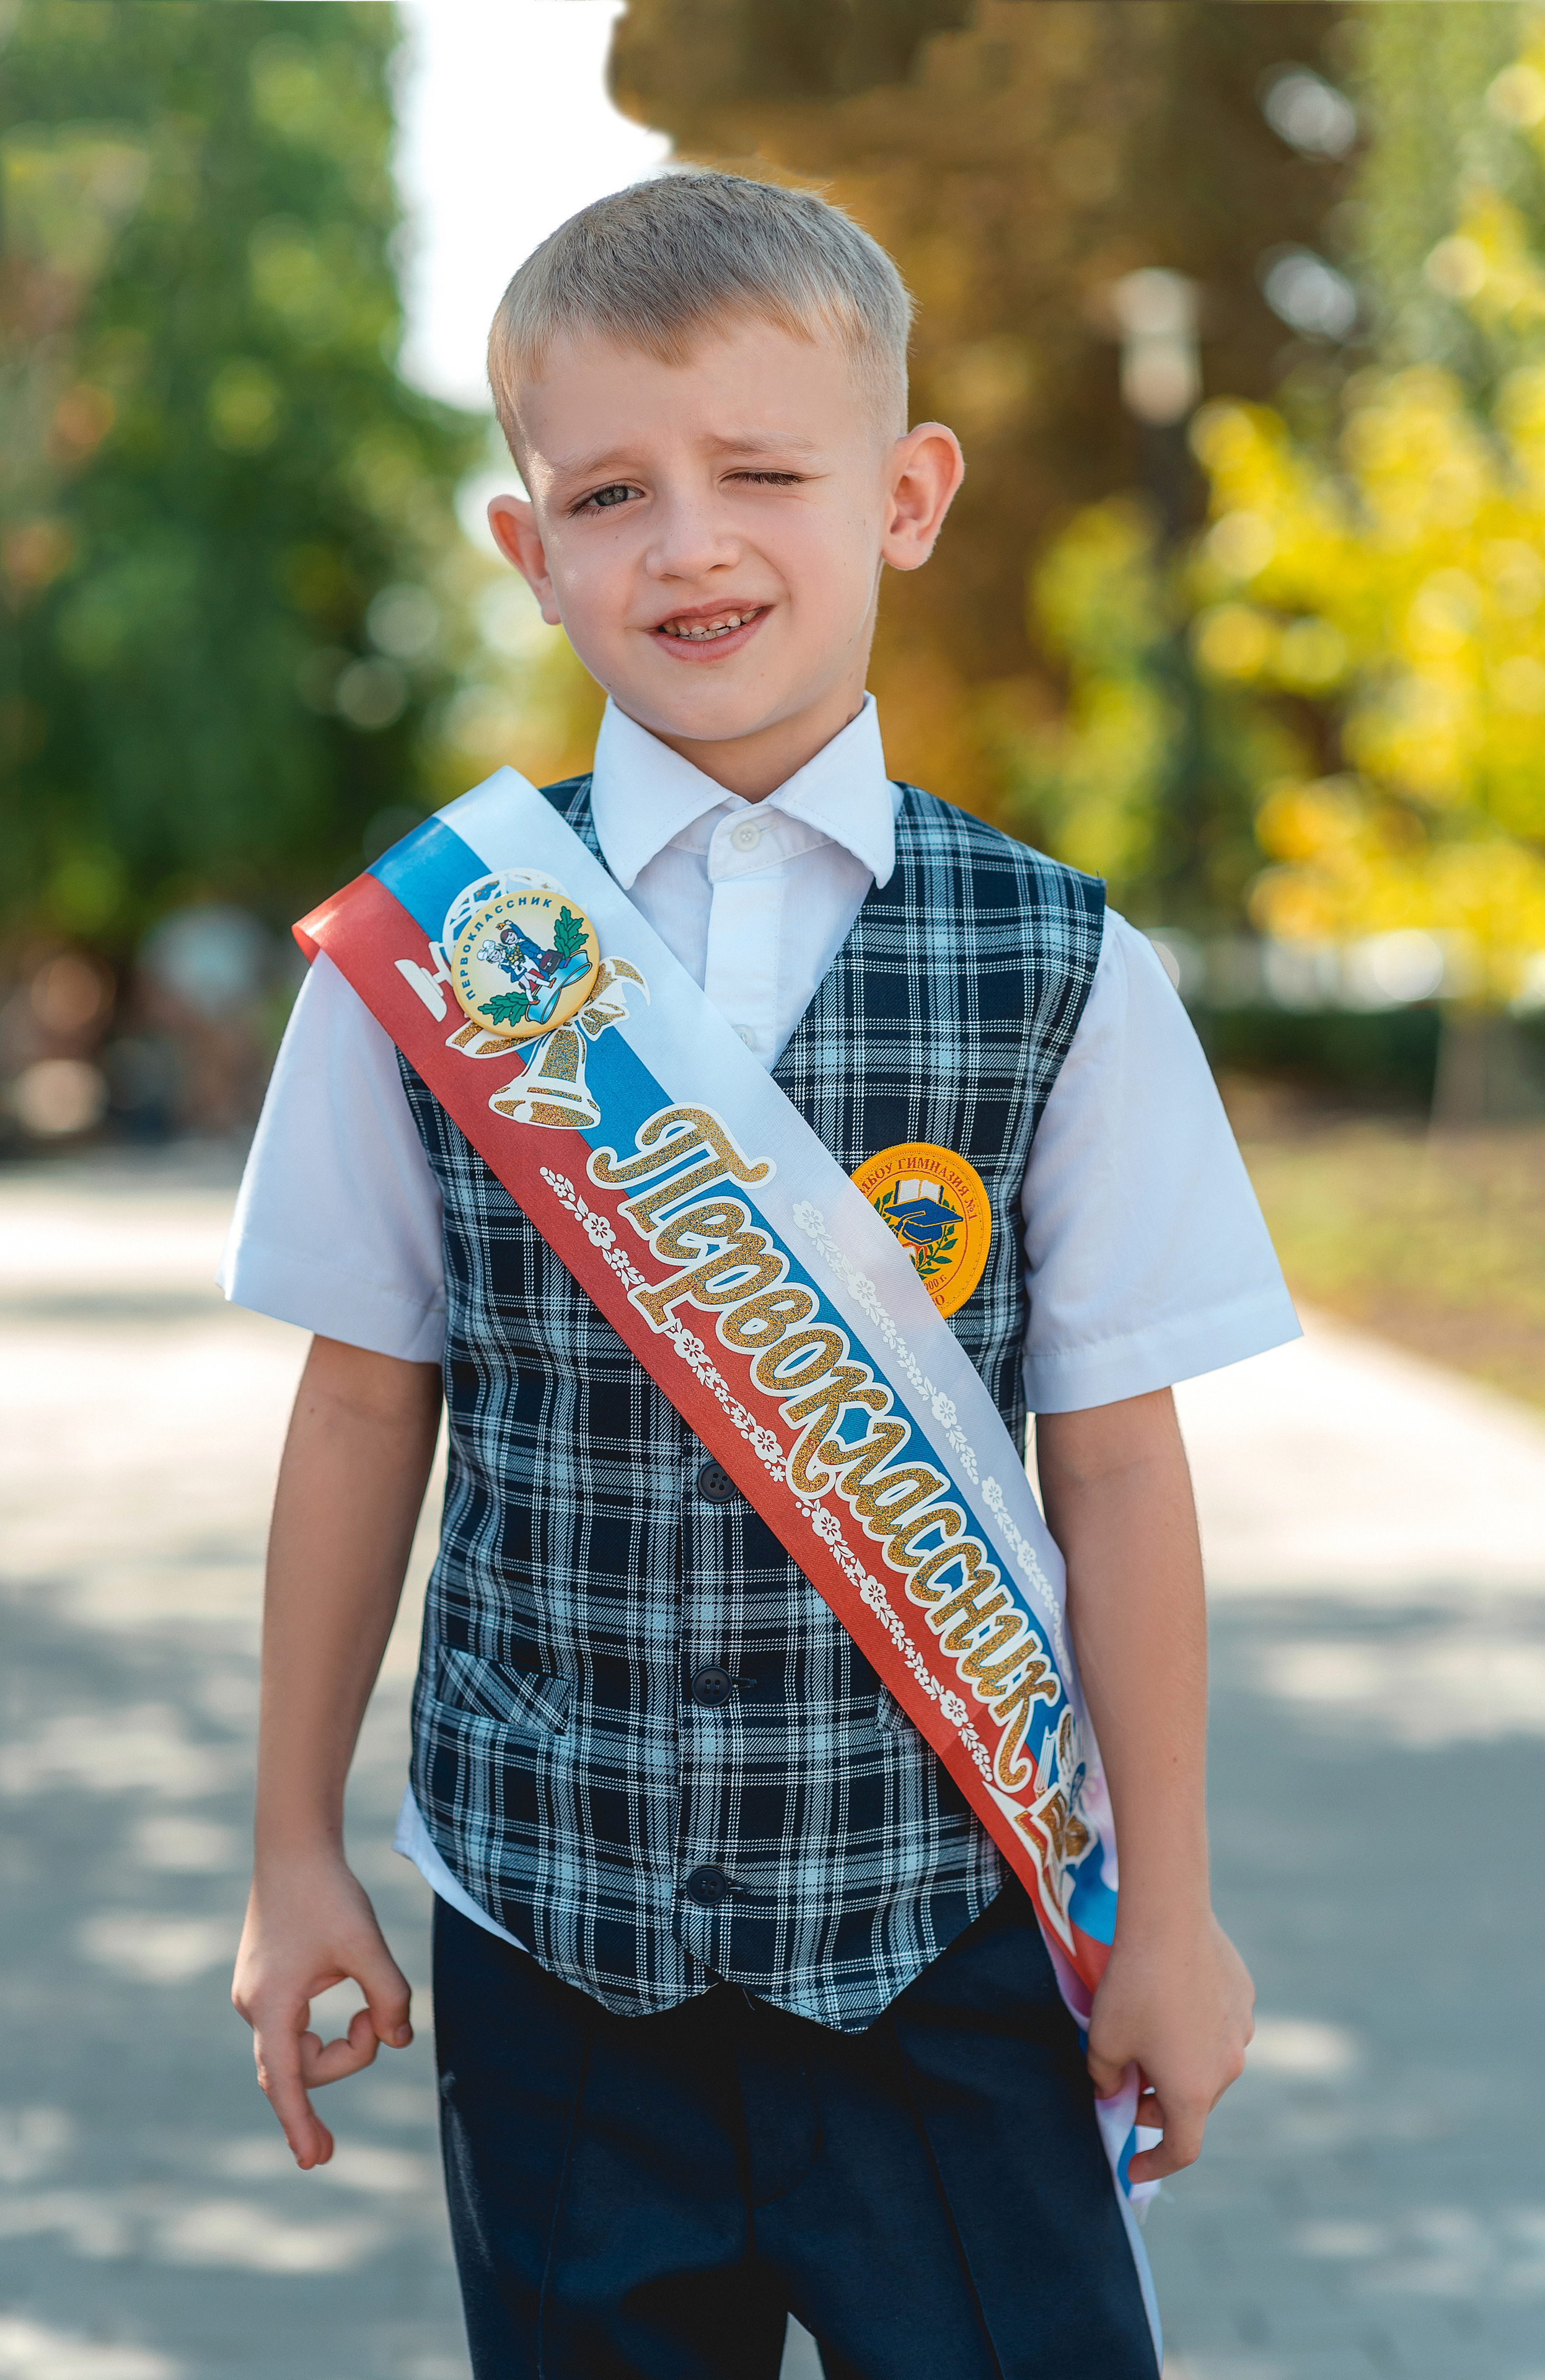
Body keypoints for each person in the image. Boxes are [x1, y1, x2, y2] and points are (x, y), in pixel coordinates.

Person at [226, 171, 1298, 2379]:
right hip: (552, 1950)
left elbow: (1113, 1461)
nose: (688, 543)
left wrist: (1167, 1912)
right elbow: (358, 1410)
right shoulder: (427, 955)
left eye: (763, 474)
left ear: (906, 498)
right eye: (609, 491)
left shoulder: (1063, 967)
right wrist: (287, 1854)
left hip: (951, 1953)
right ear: (528, 555)